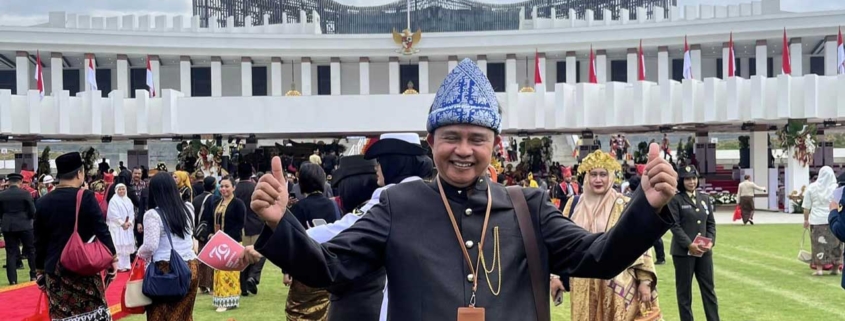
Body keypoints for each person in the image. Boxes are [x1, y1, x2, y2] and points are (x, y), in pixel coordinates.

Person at [245, 59, 678, 321]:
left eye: (478, 139)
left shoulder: (528, 207)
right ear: (430, 142)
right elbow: (331, 270)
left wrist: (647, 204)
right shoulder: (398, 204)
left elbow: (598, 258)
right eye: (451, 137)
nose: (464, 151)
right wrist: (281, 223)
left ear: (496, 145)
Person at [305, 134, 432, 321]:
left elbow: (343, 230)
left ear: (393, 162)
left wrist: (290, 234)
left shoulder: (389, 197)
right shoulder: (430, 193)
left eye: (380, 161)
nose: (376, 167)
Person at [555, 151, 660, 321]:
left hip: (618, 284)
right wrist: (555, 276)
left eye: (603, 174)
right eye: (593, 174)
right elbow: (559, 241)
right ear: (586, 176)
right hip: (583, 282)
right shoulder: (573, 204)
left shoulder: (624, 204)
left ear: (611, 176)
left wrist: (645, 280)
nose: (598, 180)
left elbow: (641, 244)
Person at [34, 152, 116, 321]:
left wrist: (40, 271)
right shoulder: (86, 197)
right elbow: (102, 230)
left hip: (56, 271)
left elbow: (39, 241)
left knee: (62, 315)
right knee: (93, 315)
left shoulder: (42, 202)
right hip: (83, 266)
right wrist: (112, 258)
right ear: (80, 173)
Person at [137, 172, 200, 320]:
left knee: (160, 315)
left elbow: (150, 246)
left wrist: (138, 254)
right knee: (184, 315)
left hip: (165, 269)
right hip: (190, 266)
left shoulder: (153, 215)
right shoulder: (188, 208)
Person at [284, 162, 342, 320]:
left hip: (304, 271)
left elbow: (291, 242)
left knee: (298, 313)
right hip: (329, 269)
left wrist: (286, 270)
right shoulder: (334, 206)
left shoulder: (298, 208)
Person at [668, 165, 719, 321]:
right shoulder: (675, 199)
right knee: (684, 292)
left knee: (708, 289)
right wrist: (689, 244)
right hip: (684, 253)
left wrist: (709, 241)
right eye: (687, 179)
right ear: (681, 181)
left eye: (694, 178)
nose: (691, 182)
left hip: (704, 252)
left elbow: (710, 223)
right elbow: (674, 225)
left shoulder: (704, 198)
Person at [202, 176, 246, 312]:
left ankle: (229, 300)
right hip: (218, 243)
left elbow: (240, 224)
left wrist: (225, 237)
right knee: (218, 271)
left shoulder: (238, 204)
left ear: (233, 187)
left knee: (229, 272)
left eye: (227, 186)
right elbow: (209, 220)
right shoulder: (215, 202)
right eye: (221, 186)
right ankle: (220, 298)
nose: (223, 189)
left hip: (232, 243)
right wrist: (210, 234)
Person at [802, 166, 843, 276]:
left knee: (818, 244)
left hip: (817, 220)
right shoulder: (836, 188)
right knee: (836, 244)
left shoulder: (812, 187)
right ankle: (835, 267)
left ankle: (819, 268)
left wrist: (806, 220)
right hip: (833, 218)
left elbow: (806, 207)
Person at [0, 173, 37, 284]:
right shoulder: (25, 194)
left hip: (8, 226)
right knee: (31, 250)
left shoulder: (2, 195)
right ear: (20, 182)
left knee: (10, 253)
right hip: (25, 224)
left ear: (9, 182)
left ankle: (13, 280)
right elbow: (32, 211)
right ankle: (33, 275)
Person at [236, 162, 264, 297]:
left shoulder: (235, 189)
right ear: (251, 173)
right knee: (260, 253)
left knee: (243, 257)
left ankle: (243, 286)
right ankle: (252, 277)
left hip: (242, 228)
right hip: (257, 225)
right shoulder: (256, 187)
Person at [192, 176, 217, 294]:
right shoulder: (213, 199)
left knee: (200, 257)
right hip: (208, 232)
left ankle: (201, 284)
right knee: (210, 258)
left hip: (197, 231)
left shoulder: (196, 199)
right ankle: (209, 284)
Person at [107, 183, 136, 271]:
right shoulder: (114, 200)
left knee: (125, 245)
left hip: (127, 227)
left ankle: (126, 265)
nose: (121, 191)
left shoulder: (128, 200)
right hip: (117, 227)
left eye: (123, 189)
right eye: (119, 189)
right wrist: (122, 223)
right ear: (116, 190)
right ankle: (118, 266)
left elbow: (132, 213)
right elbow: (113, 214)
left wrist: (129, 222)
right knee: (118, 246)